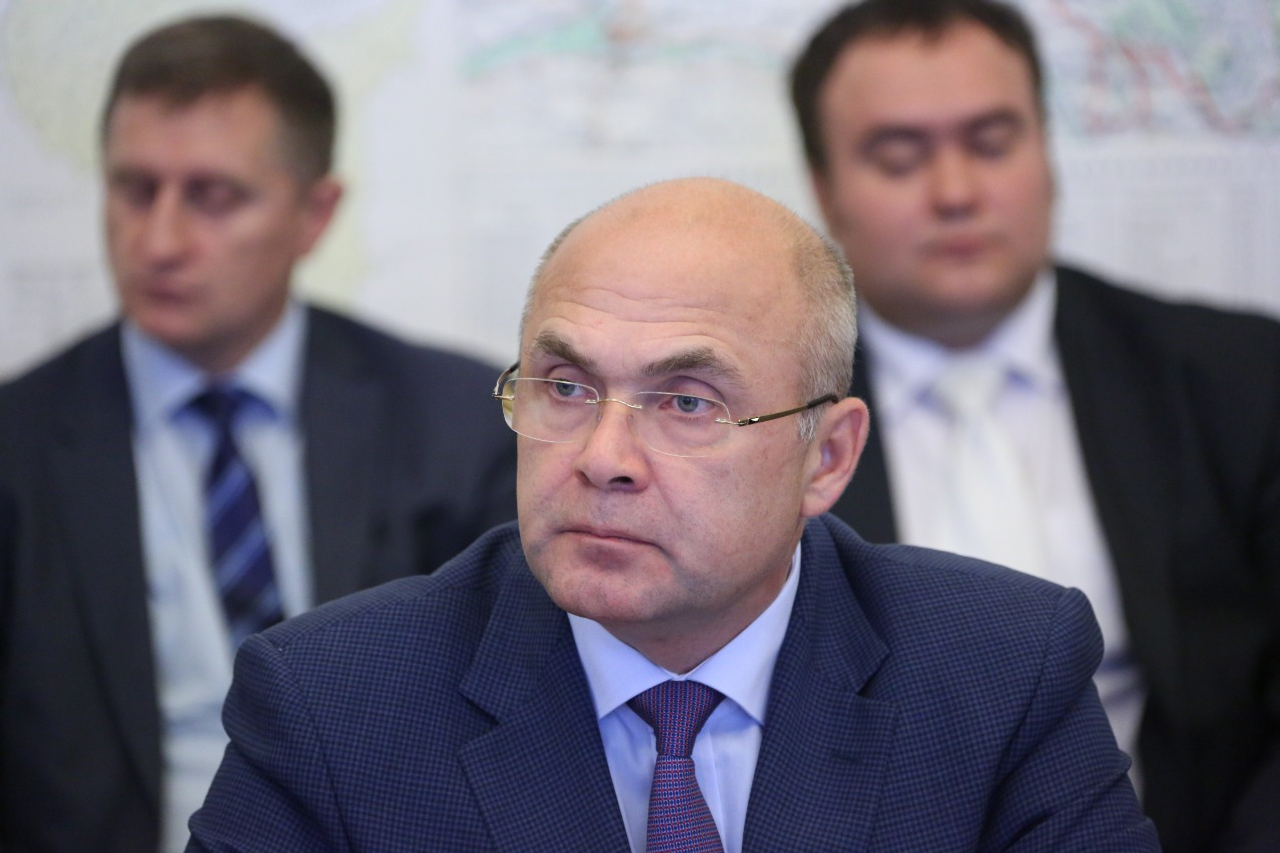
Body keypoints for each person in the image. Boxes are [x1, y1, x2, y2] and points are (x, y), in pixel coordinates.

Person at [186, 177, 1157, 851]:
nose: (602, 457)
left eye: (687, 402)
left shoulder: (1001, 673)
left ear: (826, 457)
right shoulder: (330, 704)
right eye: (566, 387)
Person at [0, 15, 517, 853]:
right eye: (134, 190)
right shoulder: (17, 446)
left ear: (315, 214)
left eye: (213, 197)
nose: (159, 241)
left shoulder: (456, 426)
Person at [789, 1, 1280, 850]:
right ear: (825, 190)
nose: (956, 193)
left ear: (1046, 152)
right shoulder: (768, 419)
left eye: (992, 143)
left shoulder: (1239, 380)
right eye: (899, 157)